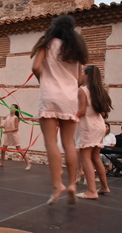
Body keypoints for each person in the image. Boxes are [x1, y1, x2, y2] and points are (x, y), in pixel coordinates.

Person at [31, 15, 88, 205]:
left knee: (50, 142)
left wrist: (44, 81)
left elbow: (36, 67)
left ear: (53, 27)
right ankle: (72, 184)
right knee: (69, 142)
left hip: (49, 96)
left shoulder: (46, 44)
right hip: (69, 97)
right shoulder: (77, 49)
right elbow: (80, 79)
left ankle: (57, 185)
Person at [76, 66, 112, 199]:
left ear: (87, 75)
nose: (80, 75)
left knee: (85, 157)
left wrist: (67, 119)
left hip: (89, 126)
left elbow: (82, 111)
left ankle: (91, 191)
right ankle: (104, 187)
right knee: (95, 157)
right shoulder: (100, 92)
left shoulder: (83, 90)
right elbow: (103, 112)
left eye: (82, 73)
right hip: (99, 126)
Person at [0, 104, 31, 170]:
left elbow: (16, 128)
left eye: (13, 108)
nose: (11, 109)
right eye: (11, 107)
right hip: (8, 135)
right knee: (3, 149)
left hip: (14, 135)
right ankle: (2, 162)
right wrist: (3, 127)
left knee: (19, 149)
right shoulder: (8, 116)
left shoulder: (16, 117)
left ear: (16, 110)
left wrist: (7, 130)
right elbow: (7, 126)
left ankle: (28, 163)